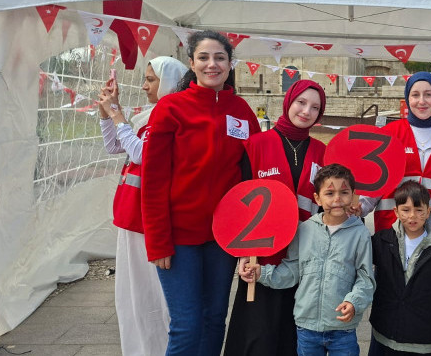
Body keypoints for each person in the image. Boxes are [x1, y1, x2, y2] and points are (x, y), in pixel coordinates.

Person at [141, 30, 260, 355]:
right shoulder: (170, 109)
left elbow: (253, 174)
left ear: (230, 63)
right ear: (191, 63)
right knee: (187, 325)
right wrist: (158, 241)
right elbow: (152, 181)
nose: (212, 64)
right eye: (204, 58)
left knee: (213, 320)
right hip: (179, 239)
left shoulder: (242, 111)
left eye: (219, 57)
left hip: (223, 238)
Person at [223, 79, 327, 356]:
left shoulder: (321, 152)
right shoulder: (256, 144)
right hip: (262, 257)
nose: (306, 111)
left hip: (303, 258)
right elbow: (240, 201)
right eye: (301, 102)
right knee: (257, 334)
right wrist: (243, 254)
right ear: (288, 102)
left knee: (293, 336)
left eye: (315, 107)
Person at [98, 55, 187, 356]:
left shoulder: (171, 116)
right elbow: (115, 146)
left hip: (148, 221)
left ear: (171, 83)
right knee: (130, 296)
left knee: (150, 297)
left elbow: (141, 154)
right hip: (130, 218)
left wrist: (116, 115)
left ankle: (156, 349)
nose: (144, 85)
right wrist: (106, 112)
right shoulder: (148, 116)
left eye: (151, 79)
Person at [241, 163, 375, 356]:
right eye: (329, 194)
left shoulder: (360, 233)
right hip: (307, 326)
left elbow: (366, 278)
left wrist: (354, 302)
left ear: (353, 194)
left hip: (342, 329)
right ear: (317, 198)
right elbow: (292, 269)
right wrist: (262, 273)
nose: (337, 199)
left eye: (344, 192)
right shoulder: (304, 230)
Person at [358, 72, 431, 245]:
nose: (422, 101)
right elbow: (374, 183)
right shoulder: (389, 135)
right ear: (407, 97)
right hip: (391, 232)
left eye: (428, 94)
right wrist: (359, 207)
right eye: (415, 95)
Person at [369, 180, 431, 356]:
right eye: (406, 210)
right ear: (396, 211)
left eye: (419, 210)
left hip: (425, 336)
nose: (412, 216)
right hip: (386, 330)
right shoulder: (382, 241)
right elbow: (359, 260)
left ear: (428, 212)